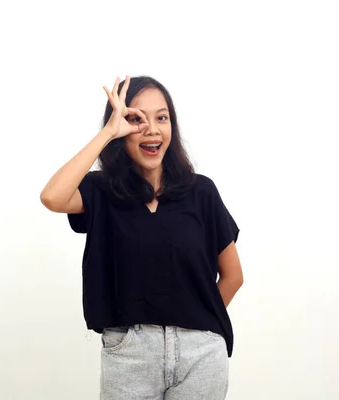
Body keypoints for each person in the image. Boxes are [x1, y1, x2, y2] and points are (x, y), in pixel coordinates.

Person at [40, 75, 244, 399]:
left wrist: (201, 325)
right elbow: (52, 197)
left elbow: (233, 276)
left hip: (200, 354)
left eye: (162, 118)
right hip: (130, 355)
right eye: (137, 119)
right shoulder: (101, 191)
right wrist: (107, 132)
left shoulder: (201, 192)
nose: (152, 129)